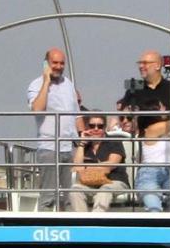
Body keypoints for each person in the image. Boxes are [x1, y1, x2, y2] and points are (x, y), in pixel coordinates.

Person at [125, 50, 170, 211]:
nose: (141, 66)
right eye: (139, 63)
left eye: (145, 63)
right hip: (148, 148)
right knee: (154, 200)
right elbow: (126, 117)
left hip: (165, 154)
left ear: (157, 66)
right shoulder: (134, 89)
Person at [27, 47, 80, 210]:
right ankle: (46, 227)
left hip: (67, 148)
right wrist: (46, 82)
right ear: (46, 64)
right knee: (49, 196)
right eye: (54, 63)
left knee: (69, 196)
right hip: (49, 148)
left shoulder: (68, 84)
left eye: (61, 63)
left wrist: (82, 142)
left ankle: (70, 227)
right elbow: (37, 109)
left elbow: (76, 114)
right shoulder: (36, 85)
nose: (58, 66)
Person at [68, 114, 128, 213]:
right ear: (87, 127)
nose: (96, 129)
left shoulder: (114, 142)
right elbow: (77, 167)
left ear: (104, 128)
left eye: (100, 126)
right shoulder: (85, 147)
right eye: (92, 126)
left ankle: (95, 221)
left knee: (104, 190)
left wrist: (86, 168)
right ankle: (83, 223)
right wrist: (82, 143)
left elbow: (110, 165)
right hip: (91, 183)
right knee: (75, 190)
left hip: (114, 181)